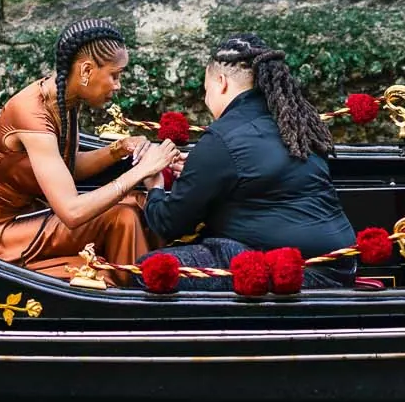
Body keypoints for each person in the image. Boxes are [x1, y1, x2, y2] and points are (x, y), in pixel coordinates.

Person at [0, 19, 178, 281]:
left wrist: (119, 148)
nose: (118, 85)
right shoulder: (31, 115)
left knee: (135, 203)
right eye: (115, 74)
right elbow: (71, 211)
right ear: (87, 70)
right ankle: (132, 301)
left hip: (27, 215)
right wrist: (142, 171)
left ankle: (136, 291)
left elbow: (69, 168)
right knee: (121, 216)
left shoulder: (66, 99)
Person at [140, 34, 356, 289]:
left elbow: (169, 223)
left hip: (294, 269)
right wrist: (200, 170)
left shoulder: (222, 138)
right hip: (343, 260)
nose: (206, 100)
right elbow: (261, 178)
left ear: (221, 83)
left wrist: (153, 183)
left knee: (148, 270)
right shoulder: (299, 124)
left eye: (205, 90)